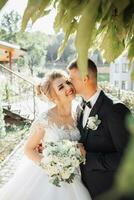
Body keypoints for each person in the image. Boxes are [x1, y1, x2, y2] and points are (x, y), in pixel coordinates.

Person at [0, 69, 91, 200]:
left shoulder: (79, 113)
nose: (68, 87)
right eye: (61, 87)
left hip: (76, 175)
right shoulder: (45, 119)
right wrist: (51, 166)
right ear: (54, 97)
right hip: (49, 178)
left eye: (67, 82)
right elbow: (28, 149)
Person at [67, 59, 130, 199]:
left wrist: (87, 158)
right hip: (84, 191)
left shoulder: (115, 110)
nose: (68, 84)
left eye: (71, 79)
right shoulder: (80, 108)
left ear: (85, 79)